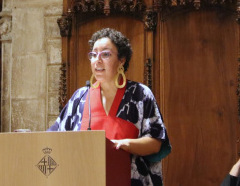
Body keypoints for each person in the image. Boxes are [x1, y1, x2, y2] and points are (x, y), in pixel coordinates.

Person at [48, 28, 171, 186]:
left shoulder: (140, 95)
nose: (97, 60)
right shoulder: (80, 98)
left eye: (105, 54)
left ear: (122, 60)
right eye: (93, 55)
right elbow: (55, 138)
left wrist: (124, 144)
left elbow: (156, 142)